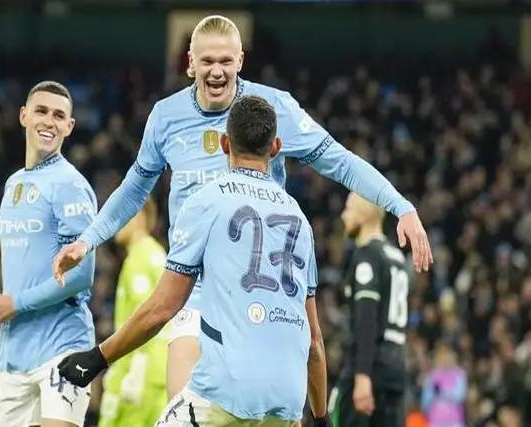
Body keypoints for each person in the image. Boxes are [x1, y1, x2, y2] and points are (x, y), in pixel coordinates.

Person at [53, 15, 433, 398]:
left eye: (225, 61)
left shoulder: (271, 108)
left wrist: (400, 206)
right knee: (181, 408)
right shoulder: (166, 117)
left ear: (240, 61)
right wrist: (88, 240)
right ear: (190, 63)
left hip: (258, 292)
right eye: (207, 61)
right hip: (193, 288)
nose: (217, 71)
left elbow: (339, 160)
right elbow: (135, 187)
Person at [57, 96, 329, 426]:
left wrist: (98, 357)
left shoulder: (208, 200)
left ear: (225, 144)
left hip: (227, 393)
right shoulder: (300, 221)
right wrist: (322, 418)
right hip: (287, 401)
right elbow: (314, 339)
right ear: (275, 148)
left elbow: (164, 307)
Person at [0, 81, 97, 427]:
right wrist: (1, 351)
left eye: (59, 116)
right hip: (16, 357)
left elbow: (81, 275)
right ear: (23, 116)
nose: (49, 121)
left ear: (69, 126)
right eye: (41, 111)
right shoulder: (13, 184)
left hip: (63, 346)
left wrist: (15, 304)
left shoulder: (70, 184)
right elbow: (20, 275)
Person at [328, 193, 410, 427]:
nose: (344, 216)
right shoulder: (396, 256)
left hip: (369, 369)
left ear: (365, 213)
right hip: (395, 370)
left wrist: (362, 375)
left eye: (349, 208)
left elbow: (367, 320)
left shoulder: (367, 256)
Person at [99, 197, 169, 427]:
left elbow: (146, 318)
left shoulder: (139, 259)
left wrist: (134, 370)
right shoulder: (157, 253)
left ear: (137, 216)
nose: (116, 223)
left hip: (139, 373)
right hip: (158, 373)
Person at [420, 343, 467, 427]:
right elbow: (426, 401)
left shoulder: (459, 374)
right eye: (441, 356)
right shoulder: (431, 376)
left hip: (454, 420)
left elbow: (460, 396)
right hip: (435, 419)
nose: (444, 359)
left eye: (446, 355)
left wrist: (441, 392)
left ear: (452, 356)